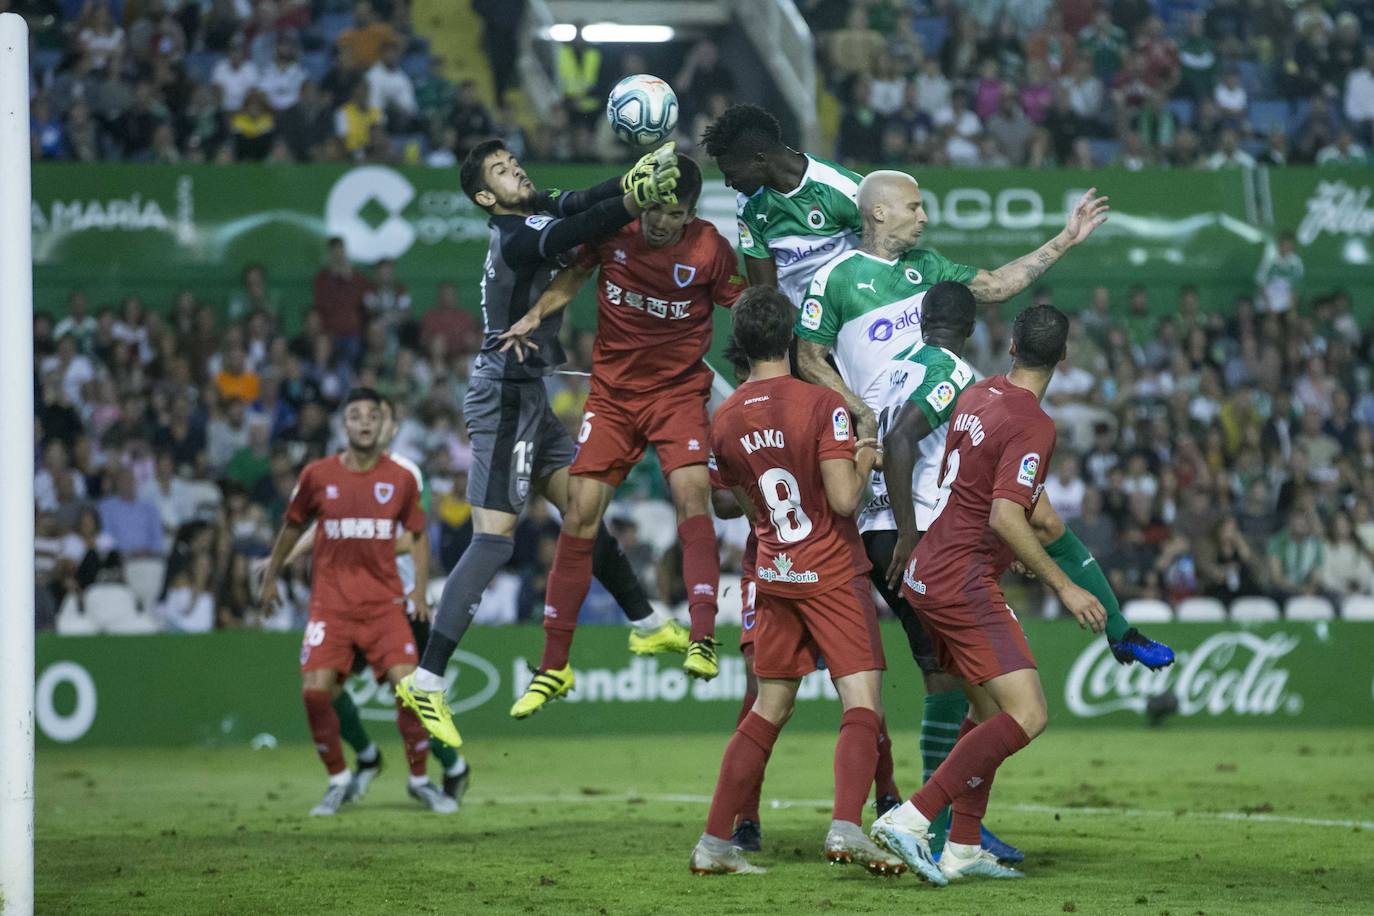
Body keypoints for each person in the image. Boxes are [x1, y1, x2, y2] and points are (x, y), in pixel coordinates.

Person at [394, 139, 681, 746]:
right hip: (502, 396)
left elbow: (579, 200)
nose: (514, 170)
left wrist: (628, 181)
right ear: (482, 197)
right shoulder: (516, 236)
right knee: (494, 541)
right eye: (500, 170)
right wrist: (635, 199)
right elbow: (583, 223)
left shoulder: (533, 211)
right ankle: (427, 677)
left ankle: (647, 621)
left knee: (583, 511)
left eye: (512, 162)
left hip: (532, 398)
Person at [495, 156, 743, 715]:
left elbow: (743, 304)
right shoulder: (617, 229)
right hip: (612, 397)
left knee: (690, 495)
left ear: (692, 214)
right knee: (580, 512)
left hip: (678, 394)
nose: (659, 221)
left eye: (673, 213)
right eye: (654, 207)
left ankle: (702, 635)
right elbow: (576, 273)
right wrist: (536, 314)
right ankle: (552, 667)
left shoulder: (710, 249)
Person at [872, 305, 1107, 885]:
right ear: (1063, 358)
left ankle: (964, 845)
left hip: (928, 569)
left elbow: (978, 494)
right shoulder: (1035, 425)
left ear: (1010, 348)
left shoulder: (977, 395)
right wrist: (1065, 583)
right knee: (1027, 714)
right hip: (961, 581)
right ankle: (914, 817)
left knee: (984, 711)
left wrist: (1014, 552)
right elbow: (1007, 515)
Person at [690, 286, 902, 877]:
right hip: (831, 570)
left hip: (774, 573)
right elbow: (843, 500)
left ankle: (713, 842)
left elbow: (729, 507)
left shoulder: (725, 418)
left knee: (767, 708)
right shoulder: (820, 404)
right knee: (861, 700)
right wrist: (862, 454)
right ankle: (845, 828)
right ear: (790, 339)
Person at [258, 388, 451, 817]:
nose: (363, 422)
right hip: (331, 607)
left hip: (385, 605)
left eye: (370, 416)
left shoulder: (401, 477)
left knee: (413, 691)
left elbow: (417, 534)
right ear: (343, 425)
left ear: (383, 425)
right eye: (355, 416)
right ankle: (339, 778)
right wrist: (272, 574)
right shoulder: (317, 475)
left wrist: (418, 592)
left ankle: (420, 779)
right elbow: (296, 527)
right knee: (315, 693)